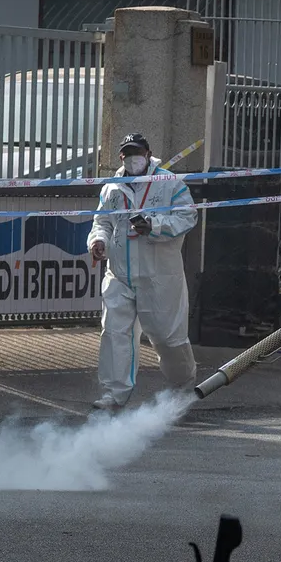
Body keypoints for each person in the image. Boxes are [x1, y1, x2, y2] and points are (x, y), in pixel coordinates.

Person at [87, 132, 198, 410]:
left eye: (137, 152)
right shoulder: (112, 187)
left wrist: (154, 224)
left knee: (167, 338)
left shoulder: (170, 183)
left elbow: (188, 216)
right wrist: (98, 241)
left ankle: (182, 386)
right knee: (114, 333)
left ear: (149, 154)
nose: (132, 158)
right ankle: (114, 395)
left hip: (159, 278)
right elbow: (102, 221)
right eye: (126, 153)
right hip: (120, 275)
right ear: (120, 157)